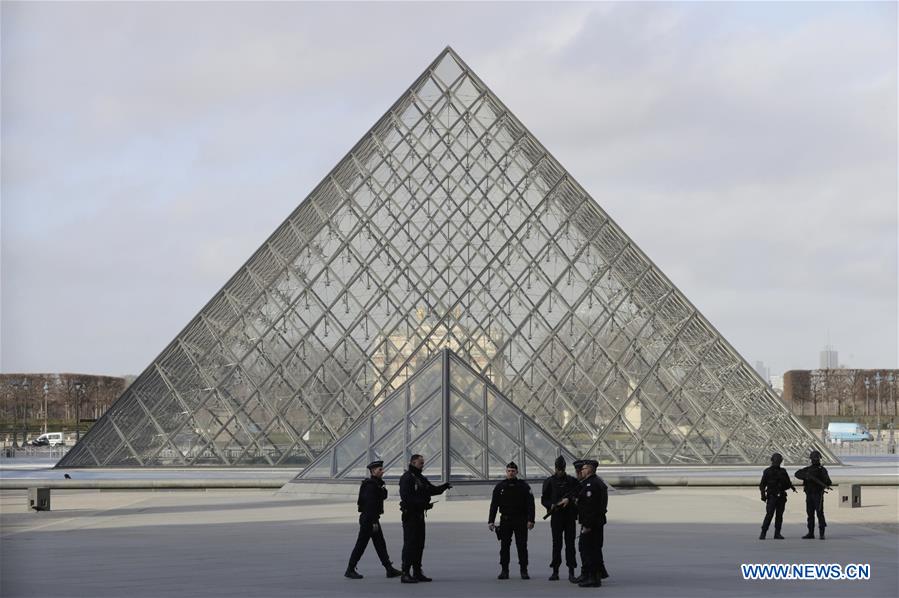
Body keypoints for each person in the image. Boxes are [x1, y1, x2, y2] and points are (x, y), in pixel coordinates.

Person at [345, 460, 403, 579]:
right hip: (369, 519)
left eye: (382, 469)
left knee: (380, 544)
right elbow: (369, 505)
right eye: (380, 470)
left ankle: (389, 569)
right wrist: (373, 522)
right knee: (361, 544)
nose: (382, 471)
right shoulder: (370, 485)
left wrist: (382, 486)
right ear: (373, 471)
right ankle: (350, 569)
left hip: (372, 518)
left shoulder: (376, 484)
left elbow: (383, 496)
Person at [398, 454, 451, 583]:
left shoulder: (419, 478)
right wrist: (422, 504)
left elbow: (431, 489)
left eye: (423, 463)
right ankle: (405, 573)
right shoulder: (407, 478)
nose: (423, 465)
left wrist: (444, 487)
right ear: (413, 463)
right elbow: (406, 498)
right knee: (410, 544)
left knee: (419, 544)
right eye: (421, 463)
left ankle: (417, 571)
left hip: (419, 515)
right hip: (410, 516)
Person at [488, 461, 536, 580]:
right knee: (504, 546)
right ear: (506, 472)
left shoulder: (524, 486)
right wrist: (491, 521)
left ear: (517, 472)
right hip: (505, 520)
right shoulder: (500, 487)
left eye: (513, 471)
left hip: (520, 520)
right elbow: (494, 505)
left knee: (522, 546)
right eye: (509, 471)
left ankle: (524, 570)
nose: (511, 473)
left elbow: (531, 504)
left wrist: (531, 520)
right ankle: (504, 571)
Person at [541, 455, 579, 581]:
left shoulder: (572, 481)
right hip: (556, 516)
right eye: (558, 469)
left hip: (569, 516)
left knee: (570, 544)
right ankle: (555, 571)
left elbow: (579, 493)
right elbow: (544, 499)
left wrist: (569, 499)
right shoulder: (549, 482)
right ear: (555, 468)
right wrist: (551, 505)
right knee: (557, 544)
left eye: (562, 469)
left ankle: (571, 571)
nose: (560, 471)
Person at [574, 459, 608, 588]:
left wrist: (587, 525)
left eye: (583, 469)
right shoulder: (595, 482)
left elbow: (591, 508)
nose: (581, 471)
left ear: (589, 469)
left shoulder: (591, 485)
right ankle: (592, 575)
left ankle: (593, 578)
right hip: (595, 522)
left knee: (588, 549)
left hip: (591, 524)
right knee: (592, 549)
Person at [794, 450, 832, 540]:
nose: (815, 460)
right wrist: (806, 477)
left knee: (819, 513)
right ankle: (811, 533)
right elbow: (797, 474)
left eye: (816, 458)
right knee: (810, 514)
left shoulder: (822, 470)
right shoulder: (807, 469)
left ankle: (821, 533)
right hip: (809, 494)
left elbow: (828, 482)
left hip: (818, 494)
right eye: (814, 458)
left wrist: (821, 482)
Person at [758, 452, 796, 540]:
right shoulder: (768, 471)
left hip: (780, 496)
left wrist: (788, 486)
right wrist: (763, 495)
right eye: (777, 461)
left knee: (778, 515)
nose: (777, 462)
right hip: (772, 496)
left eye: (778, 461)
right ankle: (764, 532)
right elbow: (762, 485)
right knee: (770, 515)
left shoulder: (782, 471)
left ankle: (775, 533)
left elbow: (788, 483)